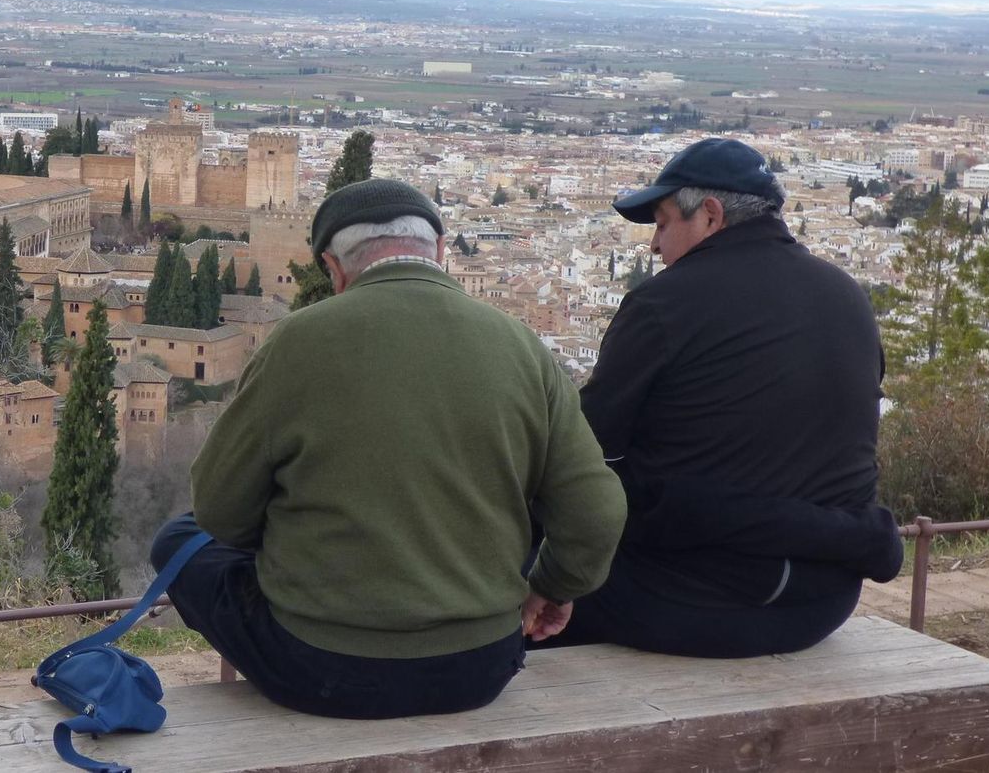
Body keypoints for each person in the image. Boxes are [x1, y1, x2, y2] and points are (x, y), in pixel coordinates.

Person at [150, 178, 626, 719]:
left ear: (332, 266)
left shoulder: (297, 341)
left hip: (318, 668)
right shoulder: (520, 345)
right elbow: (595, 512)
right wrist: (553, 586)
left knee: (180, 539)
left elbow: (220, 512)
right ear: (441, 251)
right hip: (480, 665)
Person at [538, 137, 903, 659]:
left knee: (516, 569)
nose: (653, 246)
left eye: (662, 224)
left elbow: (585, 456)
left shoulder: (664, 304)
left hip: (691, 602)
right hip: (821, 602)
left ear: (710, 215)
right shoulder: (848, 296)